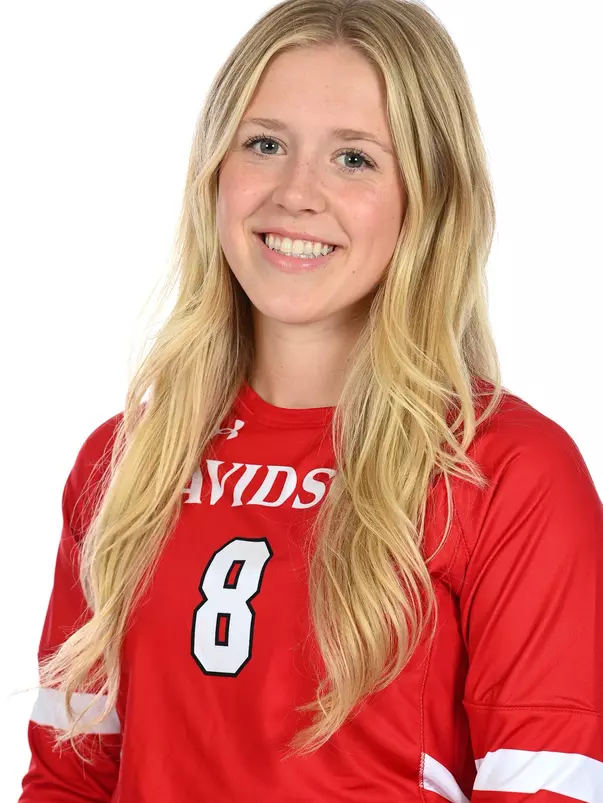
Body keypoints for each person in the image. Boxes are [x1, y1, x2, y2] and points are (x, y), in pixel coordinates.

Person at [18, 0, 603, 800]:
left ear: (430, 198)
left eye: (354, 159)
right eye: (264, 144)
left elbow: (548, 787)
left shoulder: (506, 470)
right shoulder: (127, 461)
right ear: (214, 170)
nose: (296, 193)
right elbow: (69, 778)